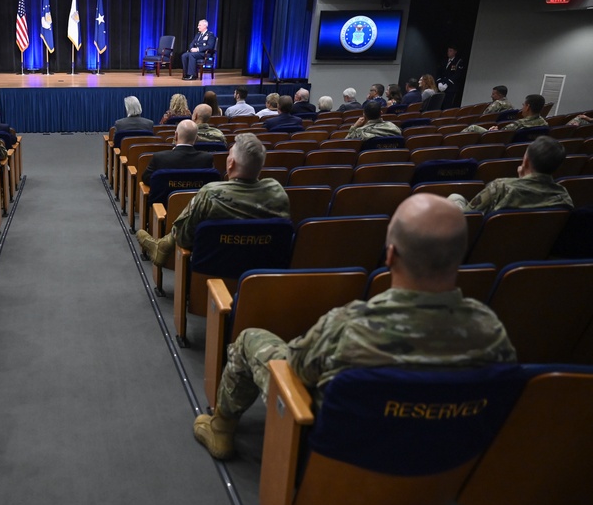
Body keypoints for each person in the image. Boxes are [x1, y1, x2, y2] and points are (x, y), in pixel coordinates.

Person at [193, 193, 518, 459]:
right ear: (461, 256)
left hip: (342, 455)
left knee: (252, 338)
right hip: (441, 460)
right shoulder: (493, 333)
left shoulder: (349, 325)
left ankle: (222, 426)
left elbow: (297, 367)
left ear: (389, 255)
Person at [135, 133, 290, 265]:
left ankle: (163, 246)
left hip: (214, 272)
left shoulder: (211, 193)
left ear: (231, 164)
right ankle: (162, 246)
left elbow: (184, 239)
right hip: (265, 269)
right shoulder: (277, 192)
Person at [448, 136, 573, 214]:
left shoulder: (500, 187)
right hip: (534, 249)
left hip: (490, 247)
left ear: (526, 161)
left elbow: (469, 218)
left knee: (455, 198)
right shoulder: (563, 195)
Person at [141, 120, 214, 185]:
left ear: (175, 136)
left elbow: (146, 179)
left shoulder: (159, 157)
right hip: (196, 199)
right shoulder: (207, 158)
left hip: (164, 200)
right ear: (196, 138)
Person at [462, 94, 548, 134]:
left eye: (523, 105)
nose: (522, 108)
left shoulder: (518, 124)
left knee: (472, 128)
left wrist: (493, 131)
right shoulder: (545, 124)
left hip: (501, 143)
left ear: (528, 107)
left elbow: (501, 135)